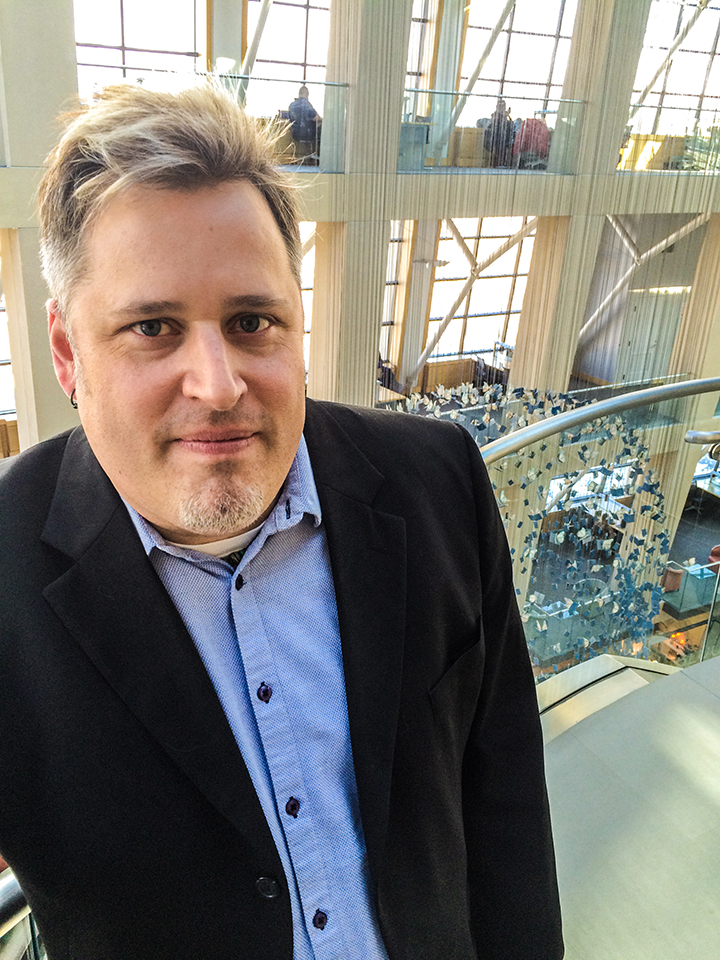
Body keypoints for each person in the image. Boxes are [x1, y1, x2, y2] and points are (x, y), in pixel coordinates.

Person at [0, 84, 563, 960]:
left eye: (251, 320)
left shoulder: (437, 480)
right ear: (69, 351)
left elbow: (505, 802)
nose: (218, 385)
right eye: (153, 328)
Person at [288, 84, 320, 164]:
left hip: (295, 134)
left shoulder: (292, 105)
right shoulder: (307, 105)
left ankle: (298, 160)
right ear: (307, 94)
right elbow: (315, 118)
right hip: (307, 134)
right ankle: (312, 159)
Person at [484, 98, 514, 168]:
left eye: (503, 106)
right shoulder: (495, 116)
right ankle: (499, 162)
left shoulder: (506, 118)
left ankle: (503, 162)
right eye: (500, 106)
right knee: (499, 145)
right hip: (494, 139)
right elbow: (494, 126)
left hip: (503, 138)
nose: (501, 107)